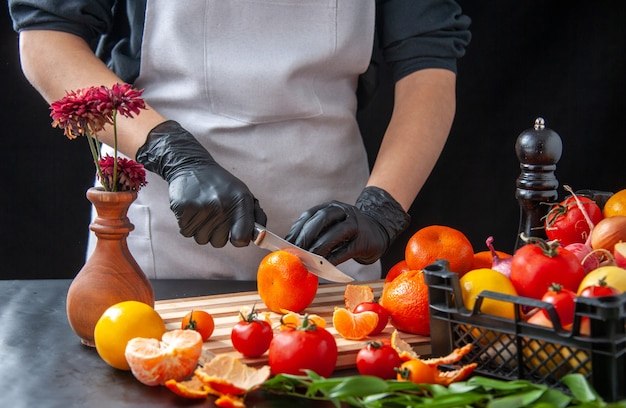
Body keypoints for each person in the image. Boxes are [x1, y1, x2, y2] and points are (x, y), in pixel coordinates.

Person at [9, 1, 471, 281]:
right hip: (162, 235)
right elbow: (47, 42)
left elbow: (428, 67)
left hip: (333, 243)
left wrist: (382, 209)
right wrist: (174, 157)